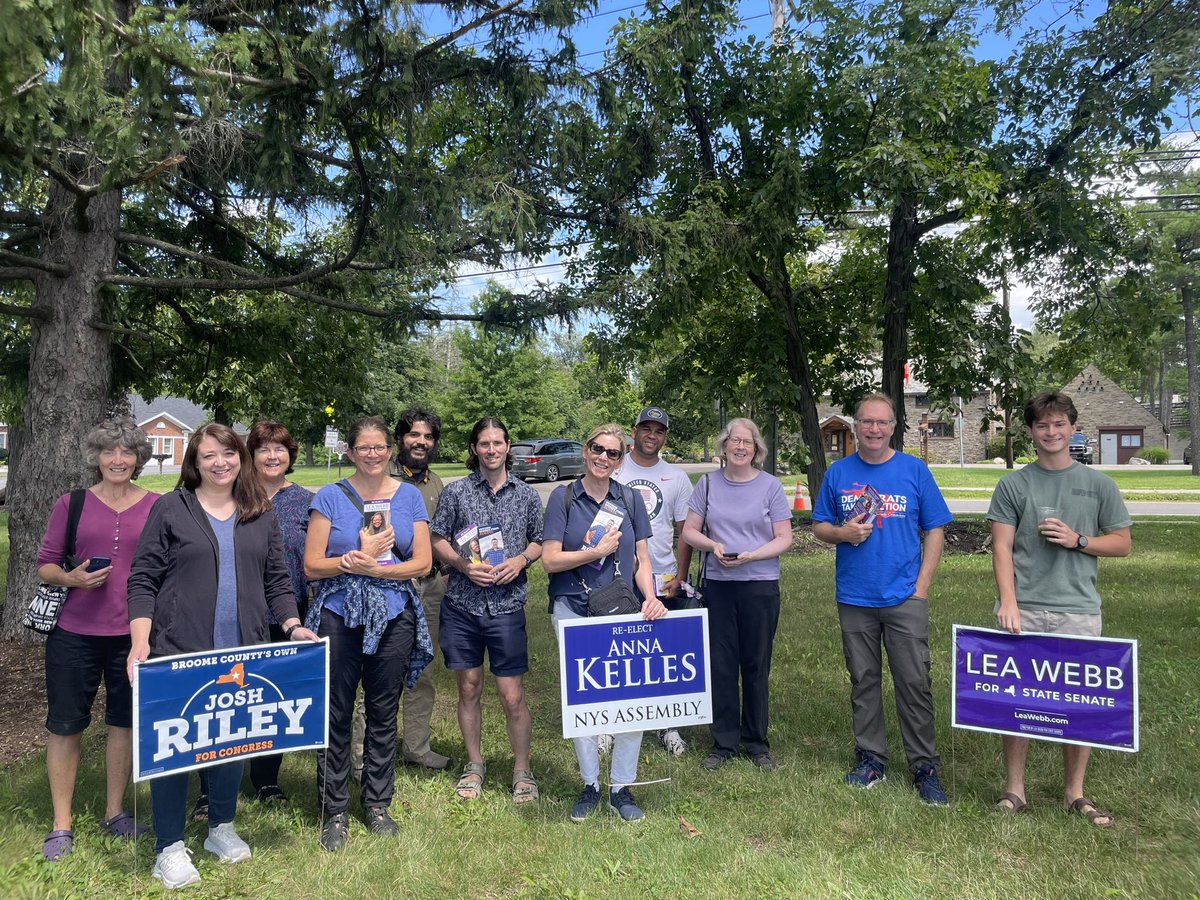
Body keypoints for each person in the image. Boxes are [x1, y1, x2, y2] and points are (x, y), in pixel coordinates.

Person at [127, 423, 317, 889]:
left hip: (244, 649)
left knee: (231, 739)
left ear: (240, 459)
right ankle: (168, 846)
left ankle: (221, 828)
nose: (220, 463)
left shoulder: (258, 510)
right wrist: (140, 643)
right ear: (195, 461)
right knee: (175, 748)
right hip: (179, 648)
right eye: (209, 455)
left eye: (228, 454)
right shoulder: (171, 508)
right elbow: (143, 579)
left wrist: (292, 625)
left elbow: (277, 580)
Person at [988, 391, 1131, 826]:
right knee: (1018, 701)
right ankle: (1015, 790)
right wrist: (1008, 602)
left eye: (1058, 424)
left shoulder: (1099, 484)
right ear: (1031, 432)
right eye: (1042, 425)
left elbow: (1122, 544)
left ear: (1072, 427)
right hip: (1025, 607)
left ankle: (1075, 792)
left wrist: (1079, 540)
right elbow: (1001, 546)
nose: (1051, 432)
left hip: (1078, 608)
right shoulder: (1015, 484)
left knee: (1078, 702)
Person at [811, 393, 952, 805]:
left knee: (914, 681)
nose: (874, 429)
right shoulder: (839, 473)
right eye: (866, 422)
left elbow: (937, 530)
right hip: (855, 596)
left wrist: (921, 588)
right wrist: (842, 534)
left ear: (894, 427)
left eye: (882, 422)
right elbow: (820, 525)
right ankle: (871, 757)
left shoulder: (914, 470)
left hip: (904, 596)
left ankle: (924, 767)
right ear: (856, 425)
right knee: (864, 679)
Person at [304, 416, 434, 852]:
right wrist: (351, 562)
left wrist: (382, 568)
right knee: (335, 711)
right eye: (365, 447)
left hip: (395, 612)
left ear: (390, 451)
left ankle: (377, 804)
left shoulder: (409, 495)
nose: (373, 454)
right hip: (339, 615)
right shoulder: (330, 496)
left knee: (382, 712)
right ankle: (334, 809)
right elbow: (311, 565)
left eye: (380, 447)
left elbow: (423, 563)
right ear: (351, 452)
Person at [36, 418, 157, 860]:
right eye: (110, 451)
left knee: (123, 723)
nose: (118, 459)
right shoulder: (72, 504)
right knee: (66, 725)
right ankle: (61, 825)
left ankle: (114, 813)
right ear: (97, 457)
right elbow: (45, 563)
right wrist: (70, 577)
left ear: (139, 458)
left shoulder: (157, 506)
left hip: (134, 636)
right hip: (74, 633)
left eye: (127, 452)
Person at [543, 424, 666, 823]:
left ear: (621, 459)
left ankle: (621, 788)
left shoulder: (629, 499)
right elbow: (549, 560)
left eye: (613, 454)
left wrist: (651, 598)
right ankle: (590, 785)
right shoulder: (563, 498)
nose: (603, 458)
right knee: (584, 702)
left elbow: (642, 560)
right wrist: (593, 552)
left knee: (632, 702)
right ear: (586, 450)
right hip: (574, 612)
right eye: (598, 449)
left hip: (622, 611)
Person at [429, 417, 544, 803]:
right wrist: (462, 565)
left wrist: (521, 561)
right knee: (469, 687)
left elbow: (540, 540)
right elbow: (436, 539)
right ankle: (475, 764)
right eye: (484, 443)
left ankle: (522, 769)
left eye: (498, 443)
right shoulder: (457, 492)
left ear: (508, 446)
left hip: (507, 606)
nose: (491, 450)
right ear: (474, 448)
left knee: (512, 695)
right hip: (463, 605)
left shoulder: (526, 494)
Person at [682, 417, 792, 772]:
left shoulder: (771, 487)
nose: (741, 447)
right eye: (734, 441)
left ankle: (757, 743)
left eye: (748, 442)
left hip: (759, 585)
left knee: (756, 664)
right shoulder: (708, 485)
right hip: (719, 585)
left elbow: (784, 538)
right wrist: (714, 546)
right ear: (724, 446)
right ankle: (724, 742)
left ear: (756, 449)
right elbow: (689, 533)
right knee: (722, 665)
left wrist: (751, 555)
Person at [350, 407, 451, 776]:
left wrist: (453, 568)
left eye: (428, 437)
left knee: (422, 668)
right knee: (375, 671)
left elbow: (444, 535)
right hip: (385, 586)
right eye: (414, 435)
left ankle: (417, 747)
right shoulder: (378, 478)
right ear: (399, 441)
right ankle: (362, 756)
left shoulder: (437, 484)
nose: (421, 442)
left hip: (430, 587)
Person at [614, 405, 694, 758]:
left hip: (660, 575)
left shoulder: (676, 478)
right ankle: (612, 724)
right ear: (634, 431)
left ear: (664, 436)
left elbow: (684, 533)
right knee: (617, 652)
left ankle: (666, 723)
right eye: (645, 428)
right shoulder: (615, 467)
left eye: (658, 430)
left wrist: (681, 575)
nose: (651, 435)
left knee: (661, 653)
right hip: (613, 576)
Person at [243, 420, 314, 805]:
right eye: (264, 449)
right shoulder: (233, 496)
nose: (273, 456)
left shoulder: (307, 501)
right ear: (251, 456)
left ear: (290, 456)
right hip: (236, 613)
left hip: (288, 615)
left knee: (273, 701)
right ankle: (212, 787)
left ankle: (266, 779)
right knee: (232, 698)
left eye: (280, 449)